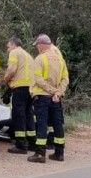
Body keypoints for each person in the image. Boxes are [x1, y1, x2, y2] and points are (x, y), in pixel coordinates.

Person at [29, 34, 68, 163]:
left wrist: (52, 91)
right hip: (56, 99)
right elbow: (65, 79)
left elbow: (38, 80)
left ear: (41, 45)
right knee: (57, 125)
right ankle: (59, 153)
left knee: (41, 124)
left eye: (37, 45)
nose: (37, 48)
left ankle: (40, 154)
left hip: (42, 97)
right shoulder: (60, 59)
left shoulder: (40, 59)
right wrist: (58, 93)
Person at [2, 37, 35, 154]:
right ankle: (32, 142)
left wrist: (5, 80)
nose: (7, 49)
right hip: (31, 89)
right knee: (28, 114)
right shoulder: (28, 55)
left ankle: (20, 144)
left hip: (19, 88)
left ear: (13, 44)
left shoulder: (14, 52)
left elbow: (12, 69)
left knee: (18, 115)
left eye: (8, 46)